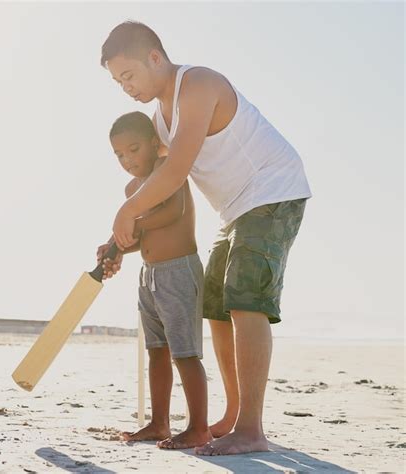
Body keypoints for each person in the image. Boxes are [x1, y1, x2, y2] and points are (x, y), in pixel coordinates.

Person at [98, 22, 312, 456]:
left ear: (154, 57)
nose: (126, 87)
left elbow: (175, 171)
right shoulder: (159, 119)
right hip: (234, 209)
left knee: (245, 298)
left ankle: (252, 429)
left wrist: (127, 211)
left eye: (129, 75)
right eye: (118, 82)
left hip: (273, 189)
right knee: (216, 304)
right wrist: (118, 240)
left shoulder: (198, 84)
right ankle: (234, 417)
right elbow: (152, 179)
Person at [98, 111, 212, 449]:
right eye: (119, 154)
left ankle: (198, 427)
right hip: (150, 276)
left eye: (133, 149)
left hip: (178, 271)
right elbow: (136, 235)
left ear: (153, 143)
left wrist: (130, 227)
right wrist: (114, 249)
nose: (127, 159)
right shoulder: (133, 189)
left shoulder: (167, 169)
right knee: (157, 351)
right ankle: (159, 423)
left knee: (185, 353)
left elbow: (170, 213)